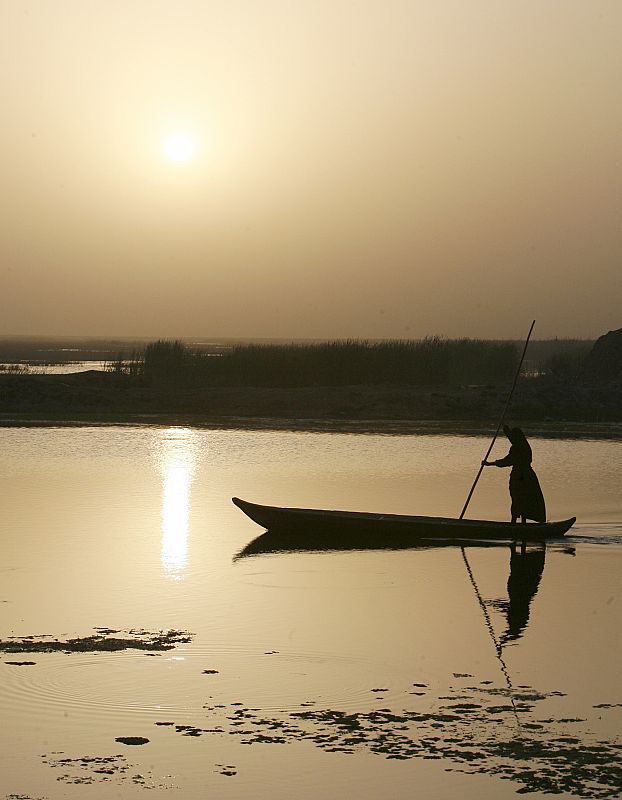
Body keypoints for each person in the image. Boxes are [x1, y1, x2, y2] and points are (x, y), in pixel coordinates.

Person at [482, 425, 546, 523]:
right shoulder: (524, 445)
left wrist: (489, 464)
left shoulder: (518, 448)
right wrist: (505, 429)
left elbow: (507, 461)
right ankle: (520, 523)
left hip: (520, 477)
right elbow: (511, 438)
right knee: (521, 499)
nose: (511, 439)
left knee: (518, 499)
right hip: (528, 476)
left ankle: (515, 523)